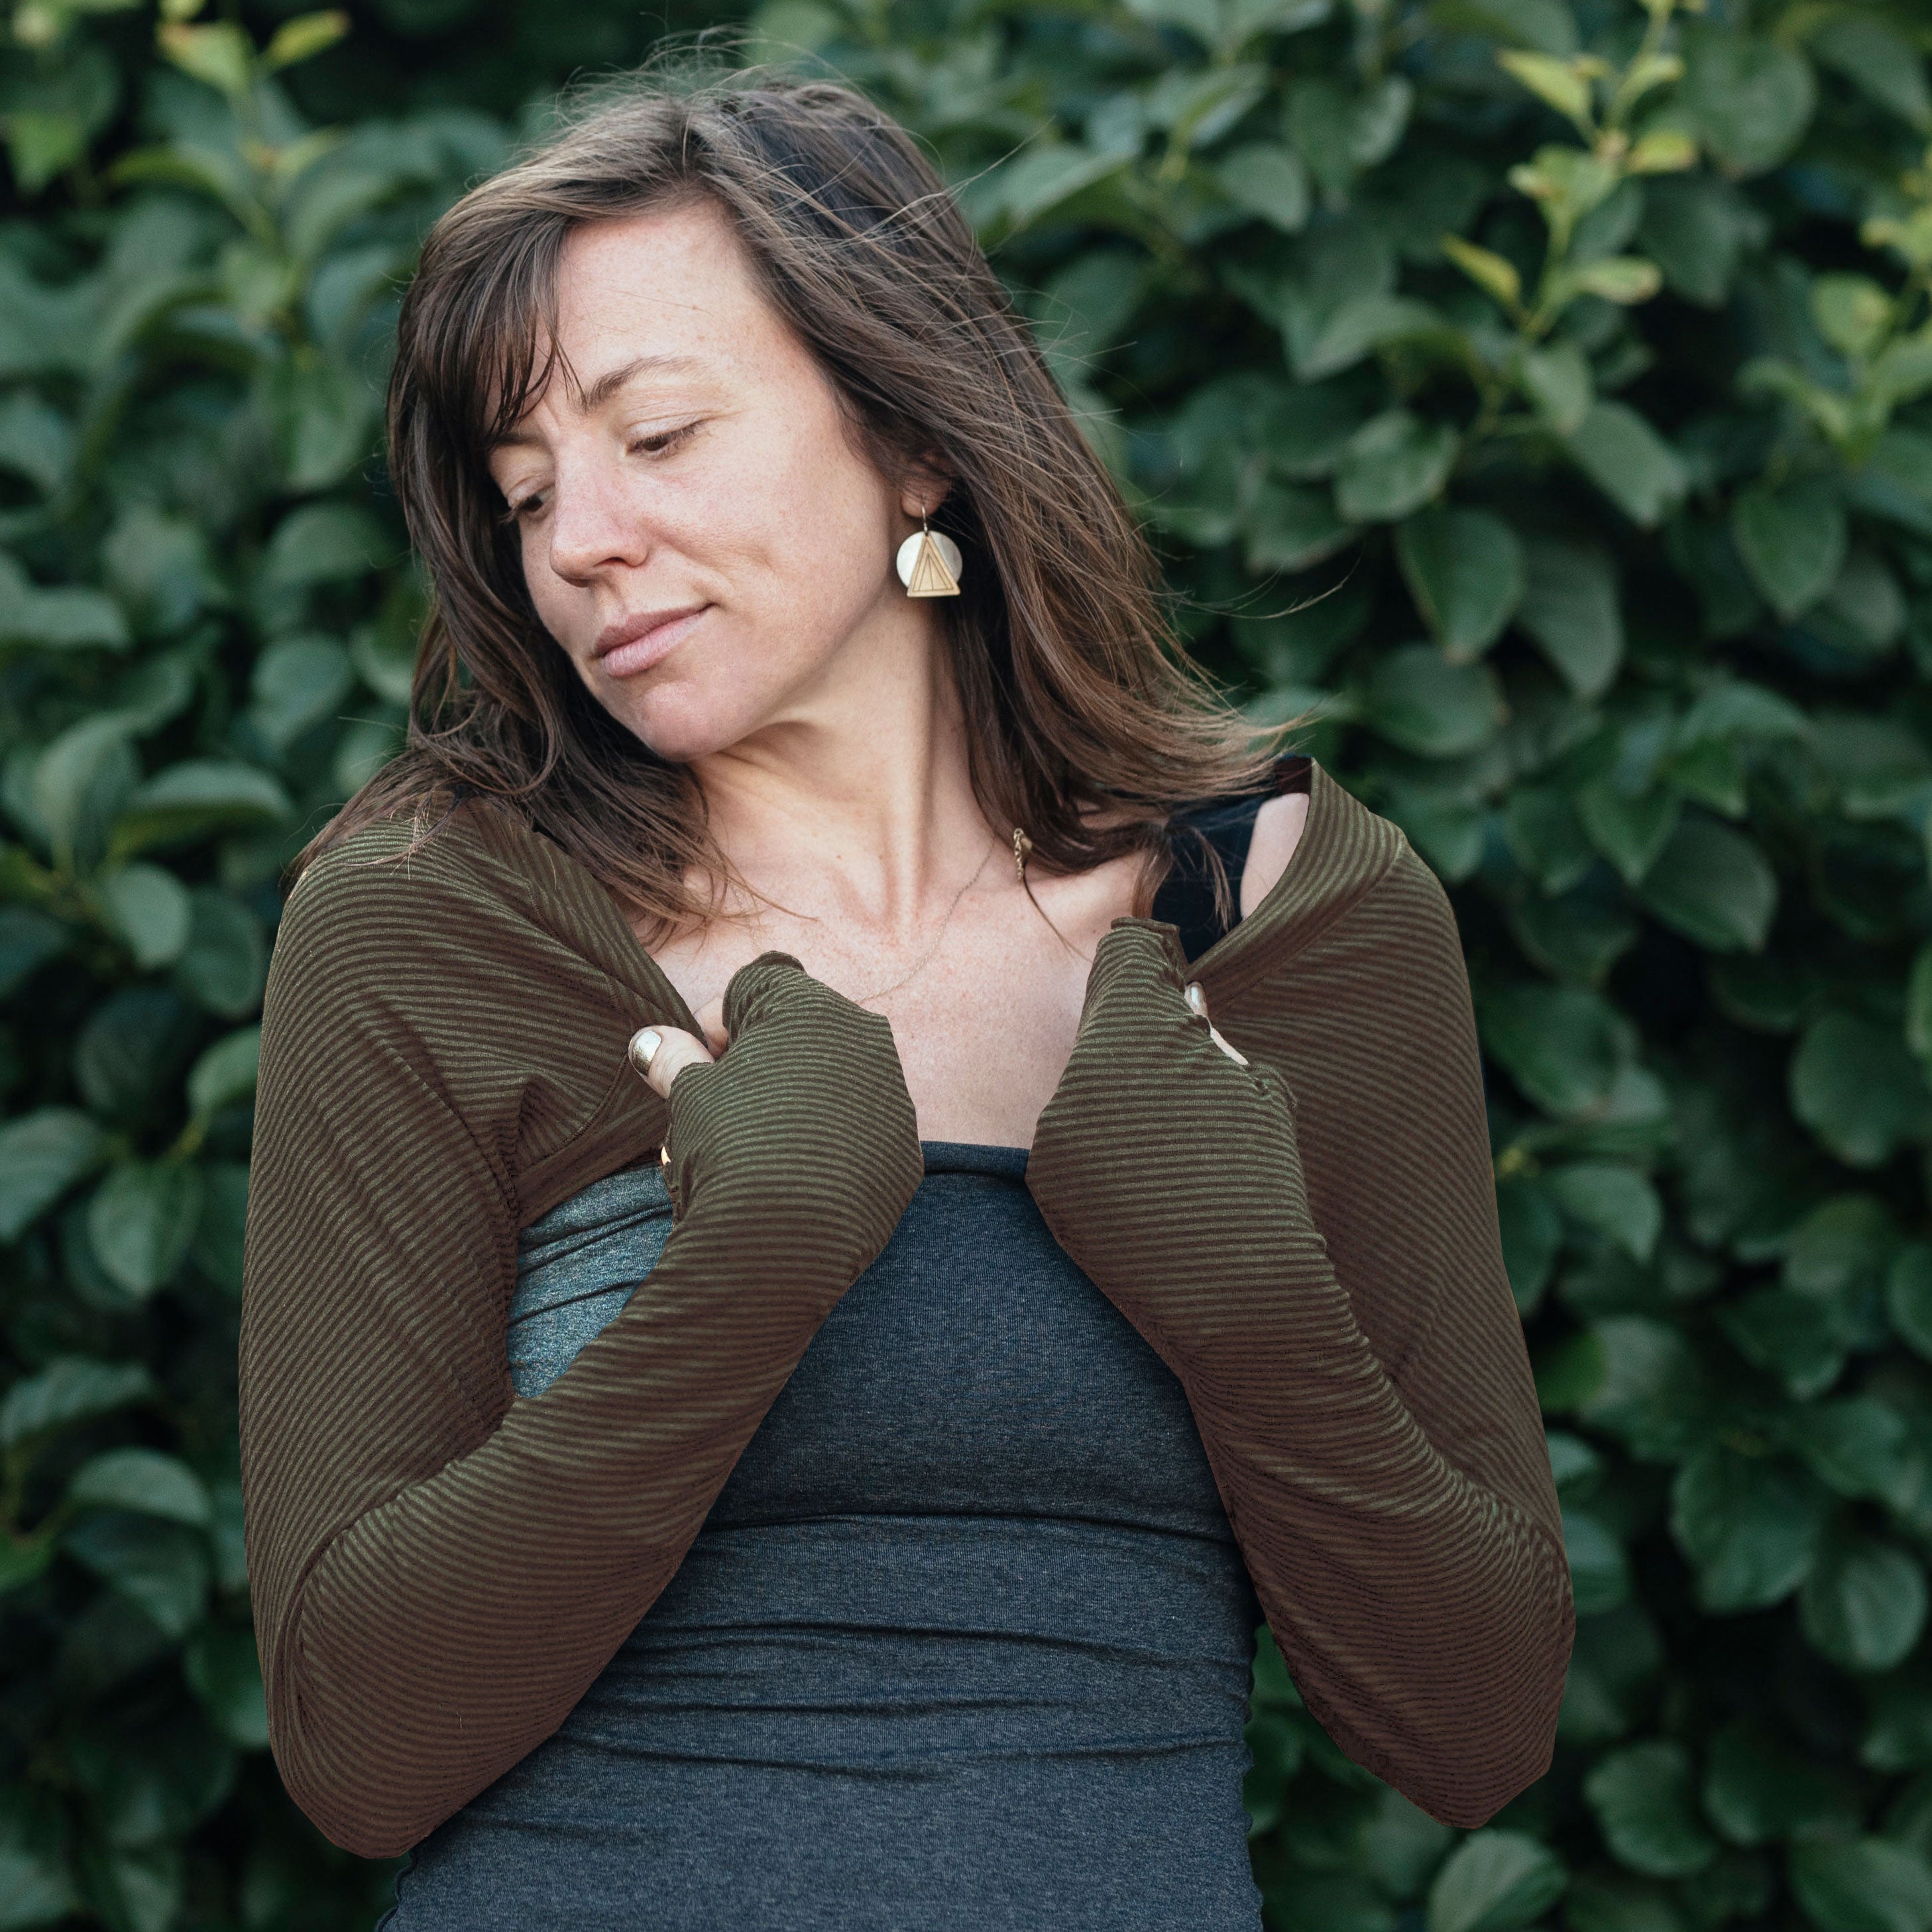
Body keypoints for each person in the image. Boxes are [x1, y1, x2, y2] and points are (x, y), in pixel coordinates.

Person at [236, 62, 1575, 1932]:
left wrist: (1250, 1292)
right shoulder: (437, 922)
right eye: (526, 491)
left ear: (915, 437)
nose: (580, 541)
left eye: (659, 435)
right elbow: (357, 1740)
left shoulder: (1295, 922)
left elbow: (1477, 1720)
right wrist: (748, 1263)